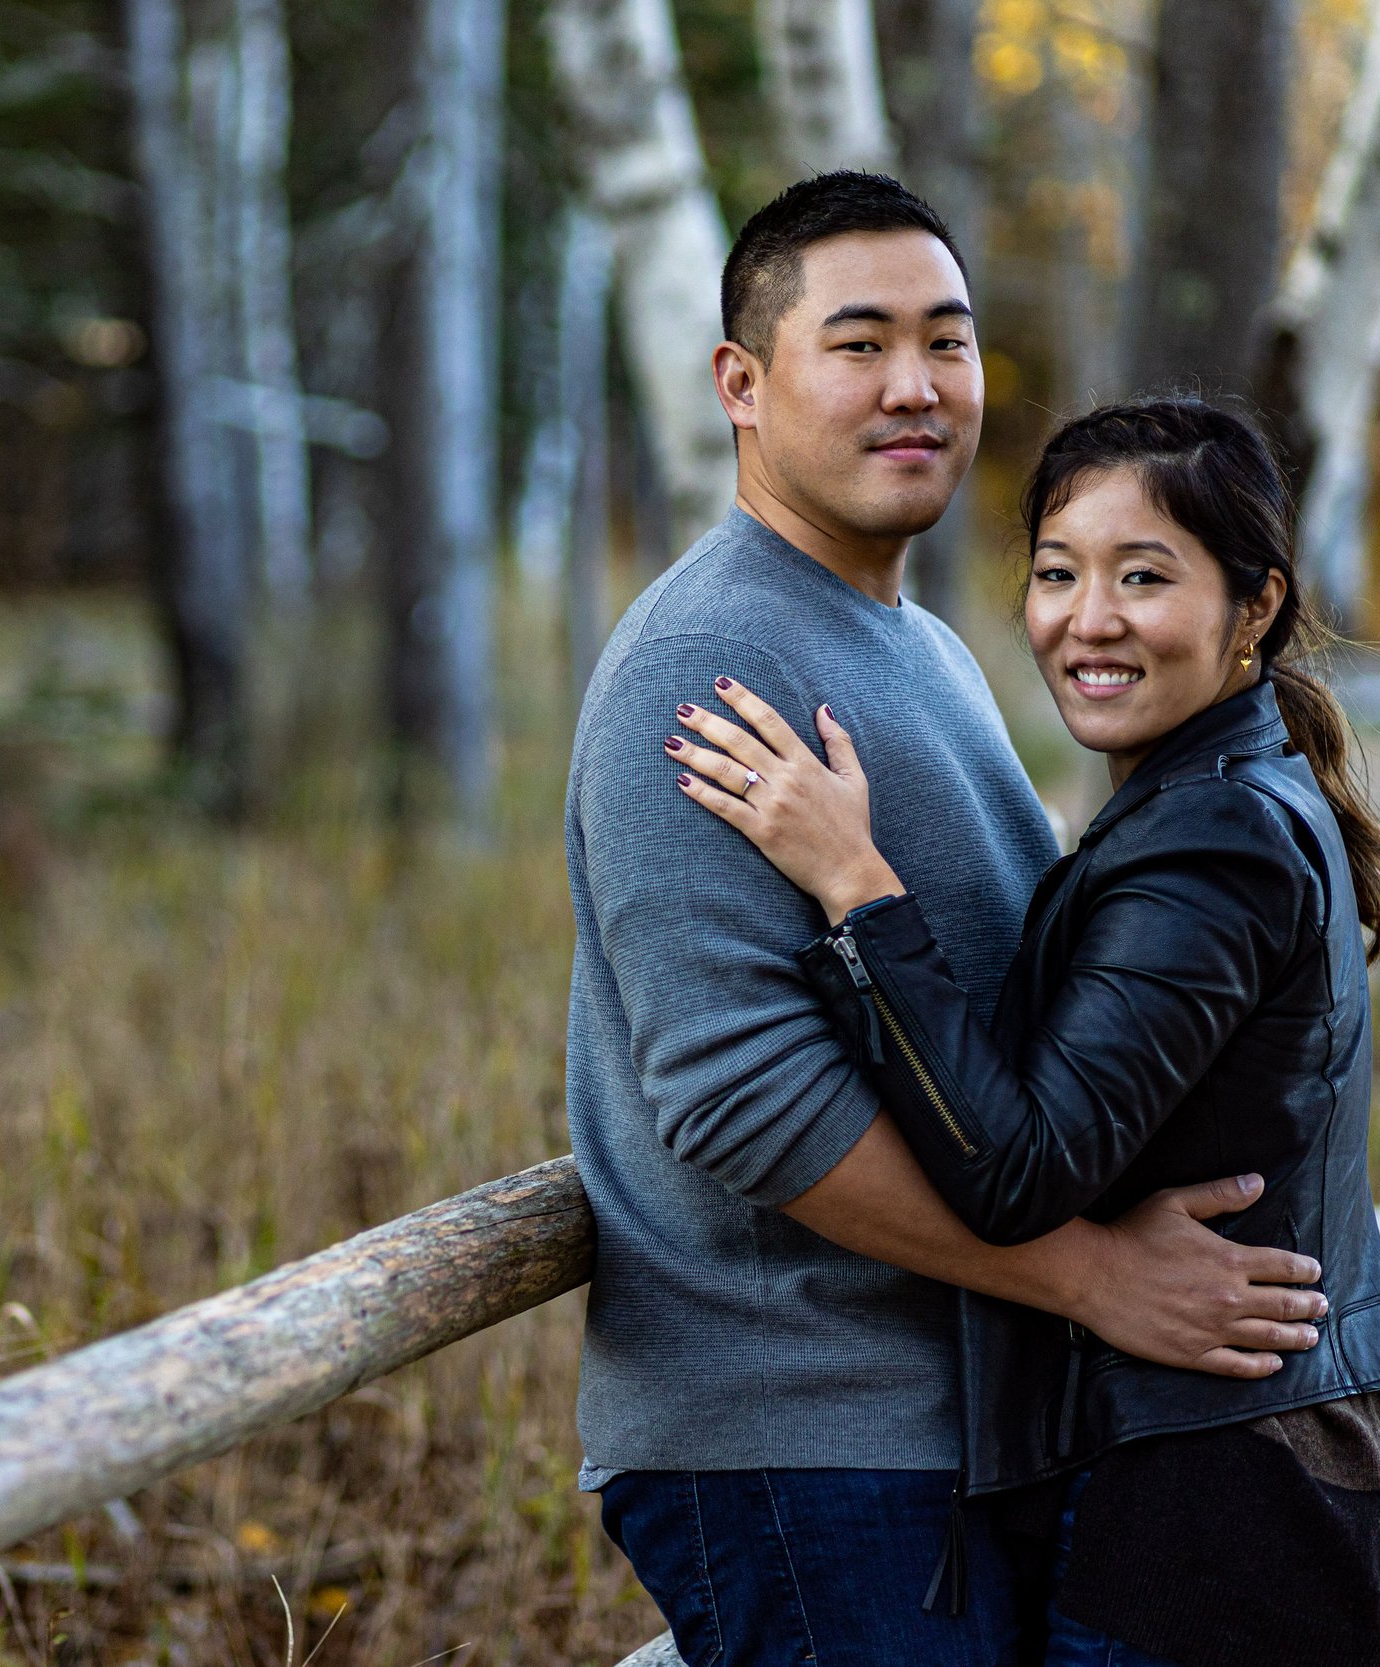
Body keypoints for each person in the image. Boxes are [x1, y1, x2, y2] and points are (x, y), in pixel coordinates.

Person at [567, 171, 1330, 1667]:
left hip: (954, 1413)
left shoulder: (925, 647)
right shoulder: (709, 662)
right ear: (742, 381)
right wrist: (1090, 1274)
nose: (915, 387)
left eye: (948, 340)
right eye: (858, 344)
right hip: (805, 1424)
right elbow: (743, 1100)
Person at [665, 396, 1380, 1667]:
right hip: (1264, 1474)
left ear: (1253, 606)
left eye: (1145, 576)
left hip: (1220, 1514)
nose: (1088, 619)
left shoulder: (1212, 838)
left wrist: (858, 886)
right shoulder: (1226, 791)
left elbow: (1019, 1166)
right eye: (1056, 572)